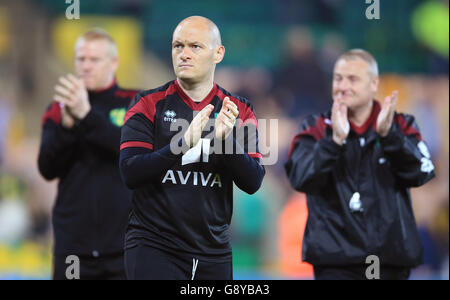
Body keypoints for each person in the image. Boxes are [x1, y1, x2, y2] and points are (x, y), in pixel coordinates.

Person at [120, 16, 265, 280]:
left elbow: (253, 181)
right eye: (178, 46)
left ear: (218, 53)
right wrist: (183, 143)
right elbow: (131, 172)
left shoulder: (240, 110)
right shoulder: (146, 104)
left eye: (195, 47)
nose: (184, 54)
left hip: (214, 252)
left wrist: (225, 141)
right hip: (153, 247)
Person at [285, 49, 435, 280]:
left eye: (352, 79)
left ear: (374, 83)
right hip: (335, 263)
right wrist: (333, 142)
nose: (343, 86)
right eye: (338, 78)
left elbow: (422, 172)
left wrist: (390, 137)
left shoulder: (400, 125)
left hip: (389, 261)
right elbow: (300, 178)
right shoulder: (314, 128)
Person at [38, 29, 139, 280]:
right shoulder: (57, 109)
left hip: (124, 247)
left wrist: (86, 115)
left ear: (114, 62)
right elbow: (47, 168)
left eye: (94, 60)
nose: (85, 66)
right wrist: (67, 127)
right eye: (80, 59)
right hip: (72, 249)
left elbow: (131, 152)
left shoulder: (135, 103)